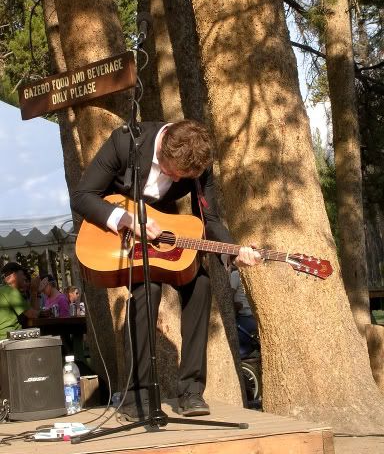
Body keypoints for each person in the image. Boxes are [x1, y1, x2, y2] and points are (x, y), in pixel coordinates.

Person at [71, 119, 261, 421]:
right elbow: (83, 196)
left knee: (200, 285)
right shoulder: (126, 143)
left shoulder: (198, 163)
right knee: (148, 290)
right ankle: (137, 395)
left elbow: (208, 217)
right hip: (118, 233)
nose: (175, 180)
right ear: (163, 147)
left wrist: (233, 251)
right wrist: (126, 219)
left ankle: (191, 391)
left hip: (162, 235)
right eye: (174, 173)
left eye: (183, 177)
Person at [0, 262, 41, 340]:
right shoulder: (10, 291)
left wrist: (35, 292)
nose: (24, 277)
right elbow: (33, 315)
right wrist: (34, 291)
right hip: (8, 339)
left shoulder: (3, 290)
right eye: (22, 274)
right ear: (13, 275)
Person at [230, 269, 259, 357]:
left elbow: (230, 295)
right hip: (253, 318)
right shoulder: (255, 276)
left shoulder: (236, 274)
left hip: (244, 317)